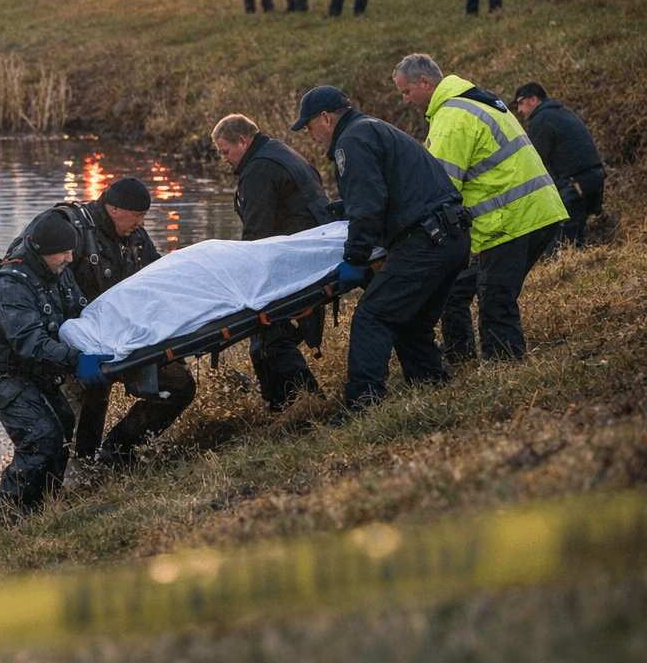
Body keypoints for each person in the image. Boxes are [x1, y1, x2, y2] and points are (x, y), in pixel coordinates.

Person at [291, 86, 470, 416]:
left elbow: (369, 205)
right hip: (451, 236)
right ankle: (431, 388)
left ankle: (363, 404)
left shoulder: (352, 141)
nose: (311, 136)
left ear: (326, 118)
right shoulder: (372, 127)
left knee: (372, 316)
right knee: (411, 323)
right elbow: (390, 190)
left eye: (310, 126)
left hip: (426, 240)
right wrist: (347, 207)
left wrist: (354, 258)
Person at [391, 54, 567, 363]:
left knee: (495, 298)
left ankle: (506, 372)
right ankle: (490, 362)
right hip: (540, 209)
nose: (405, 100)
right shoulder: (477, 99)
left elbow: (439, 188)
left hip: (512, 217)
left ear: (425, 83)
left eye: (406, 91)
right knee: (495, 292)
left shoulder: (452, 117)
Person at [49, 179, 196, 473]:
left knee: (180, 384)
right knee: (90, 402)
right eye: (137, 216)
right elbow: (46, 294)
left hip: (127, 340)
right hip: (78, 347)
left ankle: (117, 450)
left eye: (144, 217)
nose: (141, 223)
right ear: (113, 208)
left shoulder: (136, 237)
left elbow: (158, 277)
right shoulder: (74, 232)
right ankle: (76, 481)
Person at [0, 211, 109, 513]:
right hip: (1, 376)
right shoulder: (10, 288)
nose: (70, 258)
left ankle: (41, 509)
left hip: (34, 372)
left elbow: (77, 314)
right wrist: (78, 360)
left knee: (62, 426)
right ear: (39, 250)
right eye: (63, 252)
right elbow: (32, 345)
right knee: (41, 437)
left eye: (72, 250)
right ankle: (4, 520)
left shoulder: (58, 273)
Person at [212, 114, 333, 409]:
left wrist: (239, 281)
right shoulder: (280, 151)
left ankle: (308, 403)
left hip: (297, 259)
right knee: (266, 338)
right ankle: (278, 405)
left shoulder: (258, 171)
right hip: (316, 251)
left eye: (226, 151)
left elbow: (257, 234)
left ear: (243, 141)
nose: (224, 159)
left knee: (268, 334)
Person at [513, 82, 604, 248]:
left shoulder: (541, 119)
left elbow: (535, 160)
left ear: (533, 99)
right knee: (573, 240)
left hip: (575, 184)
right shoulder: (559, 111)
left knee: (557, 246)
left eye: (521, 103)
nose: (519, 110)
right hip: (590, 179)